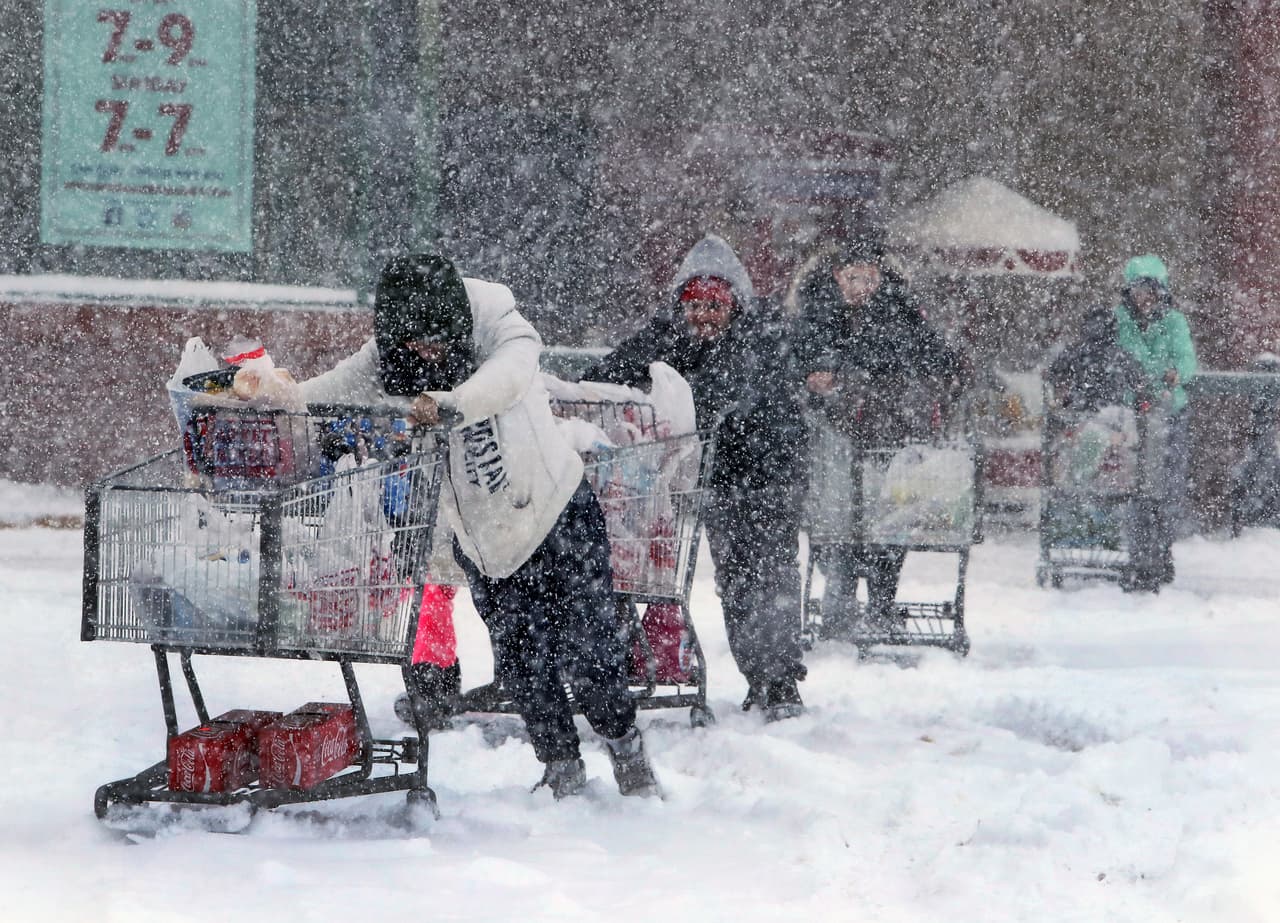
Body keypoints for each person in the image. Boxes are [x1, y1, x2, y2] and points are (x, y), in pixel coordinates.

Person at [301, 253, 658, 799]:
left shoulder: (497, 322)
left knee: (591, 653)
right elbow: (326, 390)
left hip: (555, 514)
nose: (427, 350)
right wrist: (268, 397)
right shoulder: (391, 356)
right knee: (523, 664)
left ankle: (626, 747)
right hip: (486, 545)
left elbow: (509, 377)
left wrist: (451, 405)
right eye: (414, 341)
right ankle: (561, 767)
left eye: (437, 337)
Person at [580, 233, 809, 722]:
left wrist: (675, 394)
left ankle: (780, 678)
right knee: (739, 578)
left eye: (715, 305)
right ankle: (762, 675)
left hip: (771, 473)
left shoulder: (759, 341)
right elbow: (609, 376)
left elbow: (732, 397)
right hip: (719, 480)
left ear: (734, 306)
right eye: (695, 305)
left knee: (770, 574)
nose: (704, 316)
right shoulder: (666, 338)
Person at [791, 236, 962, 636]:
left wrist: (919, 377)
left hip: (888, 438)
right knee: (836, 525)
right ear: (838, 276)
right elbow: (801, 355)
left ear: (880, 277)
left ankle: (882, 605)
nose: (862, 286)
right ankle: (841, 601)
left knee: (887, 524)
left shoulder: (899, 314)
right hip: (834, 440)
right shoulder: (818, 314)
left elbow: (933, 356)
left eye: (870, 277)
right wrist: (817, 376)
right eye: (854, 277)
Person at [1111, 253, 1198, 583]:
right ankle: (1138, 555)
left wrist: (1175, 374)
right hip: (1135, 416)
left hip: (1170, 414)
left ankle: (1161, 552)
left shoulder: (1175, 321)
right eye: (1137, 290)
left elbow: (1187, 360)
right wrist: (1144, 384)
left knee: (1168, 488)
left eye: (1149, 290)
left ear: (1160, 290)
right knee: (1136, 488)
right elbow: (1125, 360)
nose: (1143, 297)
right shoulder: (1121, 321)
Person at [1048, 306, 1146, 414]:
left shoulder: (1074, 353)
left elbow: (1054, 375)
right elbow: (1139, 382)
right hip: (1113, 414)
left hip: (1080, 413)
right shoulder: (1121, 356)